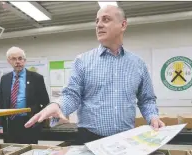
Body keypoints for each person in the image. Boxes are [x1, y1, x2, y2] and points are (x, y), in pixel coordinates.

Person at [25, 5, 164, 144]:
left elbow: (147, 99)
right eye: (97, 21)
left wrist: (153, 117)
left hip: (125, 140)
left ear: (123, 25)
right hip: (90, 139)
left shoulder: (138, 64)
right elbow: (72, 95)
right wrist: (58, 105)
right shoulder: (82, 61)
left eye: (106, 19)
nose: (99, 25)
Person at [0, 47, 50, 144]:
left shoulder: (36, 78)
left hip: (29, 122)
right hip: (10, 124)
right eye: (14, 59)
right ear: (9, 61)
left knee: (29, 153)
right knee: (10, 152)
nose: (17, 62)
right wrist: (1, 125)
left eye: (20, 58)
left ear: (24, 60)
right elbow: (1, 103)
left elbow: (45, 102)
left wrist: (39, 123)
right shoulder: (4, 79)